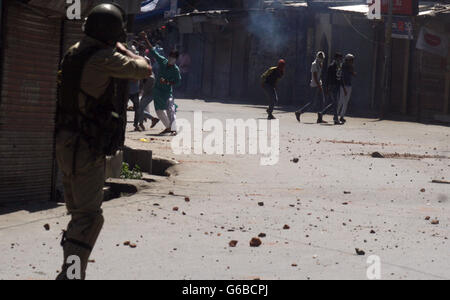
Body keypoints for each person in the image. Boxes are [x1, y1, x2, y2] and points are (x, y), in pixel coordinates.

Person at [55, 3, 152, 280]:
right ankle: (72, 275)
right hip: (85, 147)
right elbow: (143, 69)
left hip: (67, 142)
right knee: (89, 218)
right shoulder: (104, 57)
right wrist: (126, 49)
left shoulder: (74, 51)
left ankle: (71, 272)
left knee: (79, 216)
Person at [140, 31, 181, 135]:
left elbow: (177, 82)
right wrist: (145, 39)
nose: (172, 59)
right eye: (171, 57)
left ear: (176, 60)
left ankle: (174, 129)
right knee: (158, 111)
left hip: (167, 92)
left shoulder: (176, 70)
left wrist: (167, 82)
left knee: (170, 110)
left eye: (174, 58)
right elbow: (153, 51)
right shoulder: (162, 61)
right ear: (168, 57)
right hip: (157, 91)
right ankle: (168, 127)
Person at [295, 51, 327, 123]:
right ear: (317, 56)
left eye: (322, 57)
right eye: (320, 57)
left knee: (322, 101)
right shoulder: (314, 64)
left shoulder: (320, 64)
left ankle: (320, 118)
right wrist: (319, 86)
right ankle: (299, 112)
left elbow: (318, 76)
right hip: (315, 85)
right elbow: (315, 76)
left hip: (319, 84)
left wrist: (320, 84)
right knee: (312, 102)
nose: (321, 58)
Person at [318, 52, 344, 125]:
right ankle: (336, 119)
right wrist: (327, 87)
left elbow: (339, 77)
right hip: (332, 86)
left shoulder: (339, 66)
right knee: (335, 103)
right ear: (336, 58)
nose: (341, 60)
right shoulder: (332, 66)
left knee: (334, 103)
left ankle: (322, 113)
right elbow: (328, 78)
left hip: (337, 86)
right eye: (340, 58)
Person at [338, 54, 356, 124]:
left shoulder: (350, 66)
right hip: (343, 85)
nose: (352, 61)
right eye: (351, 60)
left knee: (345, 102)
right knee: (341, 101)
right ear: (347, 60)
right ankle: (336, 115)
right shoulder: (343, 66)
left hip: (348, 85)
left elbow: (352, 74)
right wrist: (343, 88)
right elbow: (341, 77)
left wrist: (353, 72)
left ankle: (342, 116)